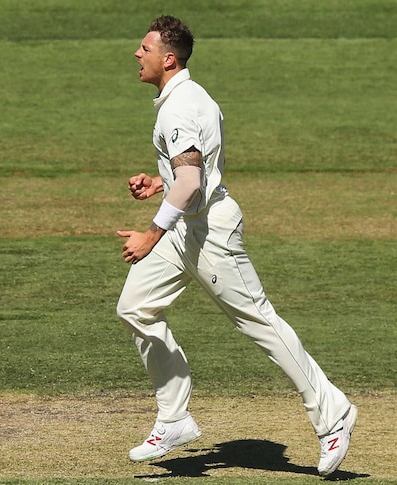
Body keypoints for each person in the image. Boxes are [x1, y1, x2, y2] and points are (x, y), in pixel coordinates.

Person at [115, 15, 356, 476]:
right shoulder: (184, 97)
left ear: (168, 58)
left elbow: (191, 181)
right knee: (136, 306)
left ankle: (334, 414)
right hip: (187, 224)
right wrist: (159, 183)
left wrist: (151, 232)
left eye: (144, 48)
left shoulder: (180, 107)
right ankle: (175, 419)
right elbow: (185, 178)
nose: (136, 54)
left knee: (258, 322)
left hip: (208, 233)